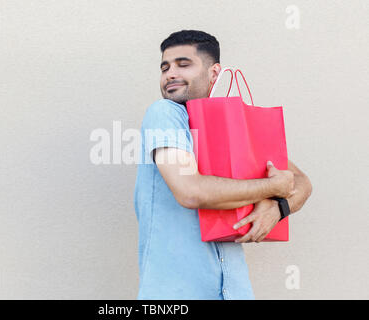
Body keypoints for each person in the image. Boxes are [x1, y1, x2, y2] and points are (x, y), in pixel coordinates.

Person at [133, 30, 313, 300]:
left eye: (183, 64)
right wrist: (271, 186)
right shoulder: (165, 113)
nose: (170, 73)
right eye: (165, 67)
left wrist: (278, 207)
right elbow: (190, 191)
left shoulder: (224, 126)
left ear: (214, 73)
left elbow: (301, 182)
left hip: (234, 290)